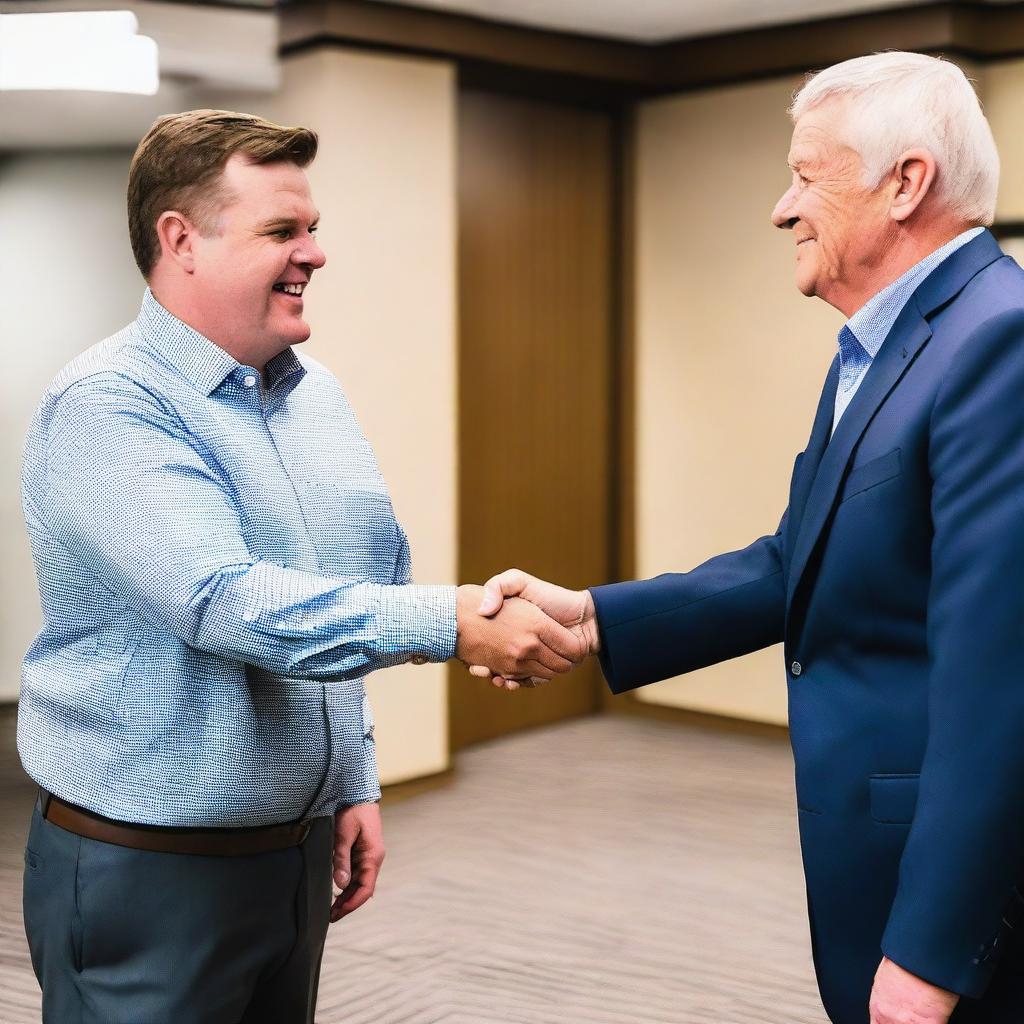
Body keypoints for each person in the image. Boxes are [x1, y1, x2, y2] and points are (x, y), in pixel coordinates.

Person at [474, 53, 1024, 1024]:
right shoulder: (881, 343)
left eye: (806, 175)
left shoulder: (996, 342)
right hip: (873, 859)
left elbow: (1002, 689)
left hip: (948, 905)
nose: (782, 207)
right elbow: (794, 562)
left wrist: (931, 954)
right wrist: (596, 615)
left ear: (905, 183)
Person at [18, 109, 583, 1024]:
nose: (314, 252)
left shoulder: (315, 398)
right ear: (180, 241)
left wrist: (349, 778)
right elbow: (225, 602)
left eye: (312, 228)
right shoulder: (108, 407)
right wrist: (457, 621)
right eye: (282, 230)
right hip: (149, 869)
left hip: (291, 854)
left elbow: (353, 588)